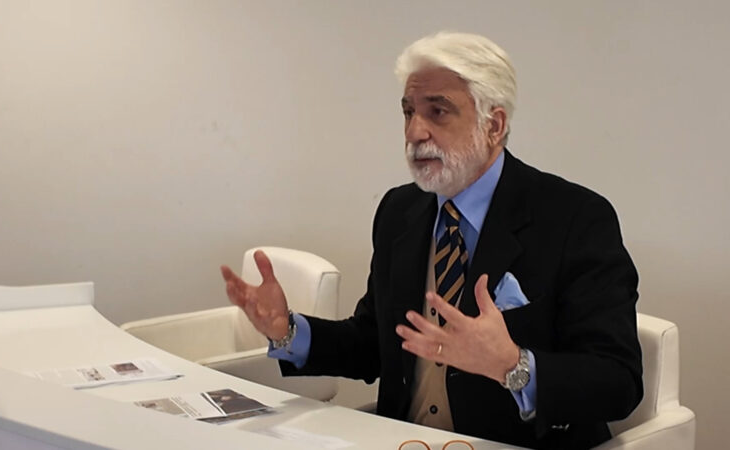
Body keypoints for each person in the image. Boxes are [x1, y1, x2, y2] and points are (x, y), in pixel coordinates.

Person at [220, 31, 642, 450]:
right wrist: (289, 331)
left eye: (438, 112)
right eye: (408, 112)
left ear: (494, 125)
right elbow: (375, 342)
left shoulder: (575, 218)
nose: (415, 132)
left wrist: (513, 365)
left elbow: (619, 382)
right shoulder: (399, 211)